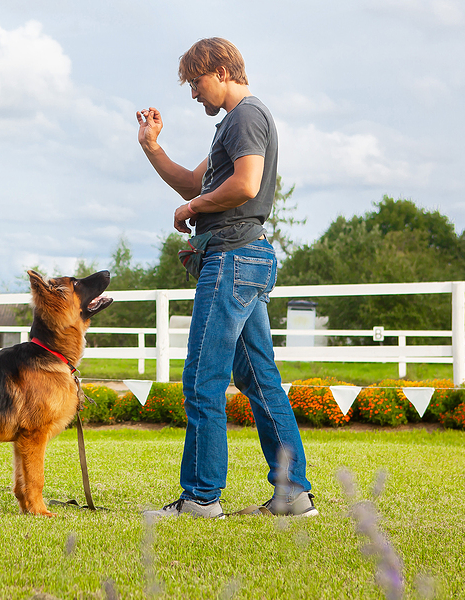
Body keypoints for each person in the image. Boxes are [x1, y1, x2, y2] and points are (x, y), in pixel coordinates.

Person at [137, 38, 316, 519]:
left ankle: (199, 498)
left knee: (202, 377)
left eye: (195, 83)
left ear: (219, 71)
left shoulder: (245, 117)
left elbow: (245, 185)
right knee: (258, 379)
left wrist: (192, 210)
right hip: (246, 256)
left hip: (233, 257)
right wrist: (153, 149)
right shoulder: (233, 125)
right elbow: (197, 183)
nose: (193, 94)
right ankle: (293, 494)